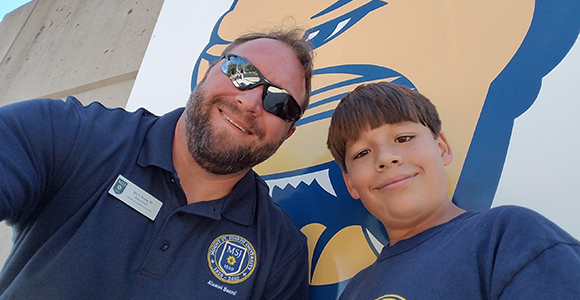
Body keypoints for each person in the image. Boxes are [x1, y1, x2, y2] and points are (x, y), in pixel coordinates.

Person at [0, 29, 313, 299]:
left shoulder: (281, 253)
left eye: (280, 102)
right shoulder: (74, 135)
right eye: (241, 73)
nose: (250, 102)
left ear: (288, 133)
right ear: (207, 71)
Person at [326, 82, 580, 299]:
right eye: (362, 153)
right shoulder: (356, 291)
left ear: (442, 148)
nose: (386, 158)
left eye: (403, 138)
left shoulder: (508, 236)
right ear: (351, 184)